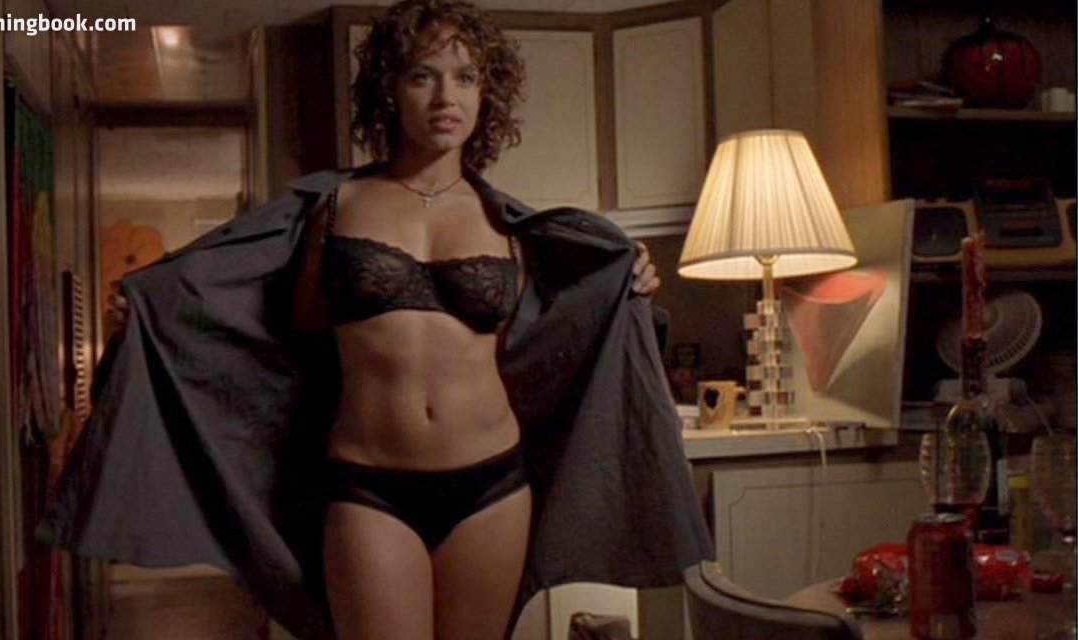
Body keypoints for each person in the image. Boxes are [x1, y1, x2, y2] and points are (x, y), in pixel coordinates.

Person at [40, 1, 713, 639]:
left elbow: (560, 323)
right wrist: (149, 308)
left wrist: (630, 277)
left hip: (494, 484)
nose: (446, 97)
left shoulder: (510, 227)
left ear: (488, 96)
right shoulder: (335, 207)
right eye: (423, 75)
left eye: (466, 78)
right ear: (391, 89)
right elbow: (274, 322)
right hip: (369, 486)